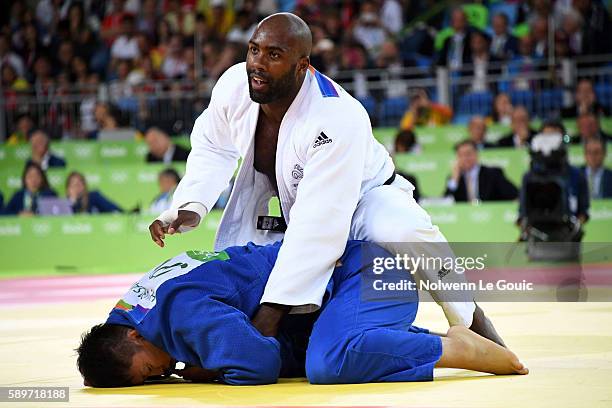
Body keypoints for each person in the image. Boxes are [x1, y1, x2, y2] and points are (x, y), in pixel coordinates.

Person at [149, 13, 504, 346]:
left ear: (302, 65)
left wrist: (272, 312)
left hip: (366, 198)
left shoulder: (335, 115)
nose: (257, 62)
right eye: (254, 49)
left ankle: (470, 319)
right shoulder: (235, 85)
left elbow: (321, 221)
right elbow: (213, 146)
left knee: (405, 232)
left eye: (274, 54)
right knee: (256, 290)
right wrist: (190, 203)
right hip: (292, 205)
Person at [76, 240, 528, 387]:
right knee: (321, 349)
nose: (164, 371)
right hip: (361, 285)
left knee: (326, 362)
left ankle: (453, 347)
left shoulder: (178, 313)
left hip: (367, 274)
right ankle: (411, 337)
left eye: (151, 369)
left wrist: (212, 370)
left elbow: (261, 362)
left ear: (132, 337)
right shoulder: (141, 302)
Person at [445, 140, 518, 202]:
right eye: (461, 155)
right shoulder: (455, 178)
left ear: (476, 154)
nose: (465, 158)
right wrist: (454, 179)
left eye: (468, 154)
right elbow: (447, 202)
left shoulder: (493, 174)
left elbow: (514, 194)